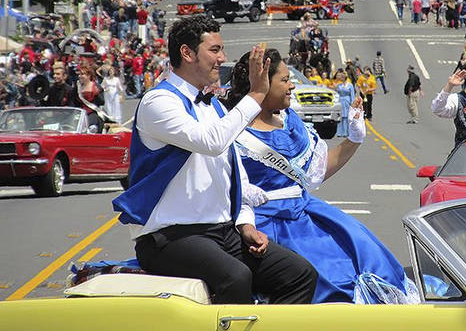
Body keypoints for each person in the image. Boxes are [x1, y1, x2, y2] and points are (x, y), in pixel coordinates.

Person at [112, 16, 317, 304]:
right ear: (187, 53)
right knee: (236, 277)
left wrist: (246, 224)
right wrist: (257, 93)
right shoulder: (158, 102)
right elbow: (211, 142)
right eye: (215, 50)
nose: (222, 58)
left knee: (299, 273)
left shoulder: (216, 107)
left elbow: (235, 174)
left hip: (222, 231)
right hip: (170, 237)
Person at [224, 49, 418, 304]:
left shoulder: (289, 120)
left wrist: (354, 140)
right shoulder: (230, 129)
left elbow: (315, 174)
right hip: (264, 225)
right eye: (284, 80)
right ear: (262, 83)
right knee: (328, 279)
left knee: (366, 254)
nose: (292, 85)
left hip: (305, 214)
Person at [69, 65, 105, 132]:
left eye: (82, 74)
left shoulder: (96, 86)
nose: (80, 76)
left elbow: (102, 102)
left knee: (90, 127)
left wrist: (96, 94)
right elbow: (72, 101)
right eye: (79, 74)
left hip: (92, 112)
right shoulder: (77, 86)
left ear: (89, 75)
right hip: (80, 113)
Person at [333, 69, 355, 137]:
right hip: (341, 100)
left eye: (342, 77)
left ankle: (346, 132)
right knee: (340, 116)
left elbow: (352, 94)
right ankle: (339, 132)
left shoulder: (350, 85)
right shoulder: (339, 85)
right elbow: (336, 93)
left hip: (347, 101)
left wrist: (352, 103)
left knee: (347, 117)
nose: (341, 78)